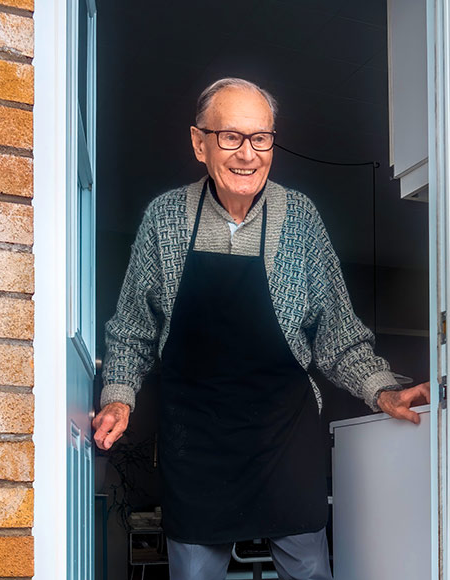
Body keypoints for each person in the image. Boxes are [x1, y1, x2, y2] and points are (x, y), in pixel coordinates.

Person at [93, 77, 430, 580]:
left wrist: (382, 390)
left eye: (261, 138)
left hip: (282, 433)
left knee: (310, 570)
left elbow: (336, 330)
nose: (247, 154)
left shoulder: (300, 219)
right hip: (196, 436)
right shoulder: (164, 219)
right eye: (230, 137)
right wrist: (119, 395)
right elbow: (134, 328)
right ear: (198, 142)